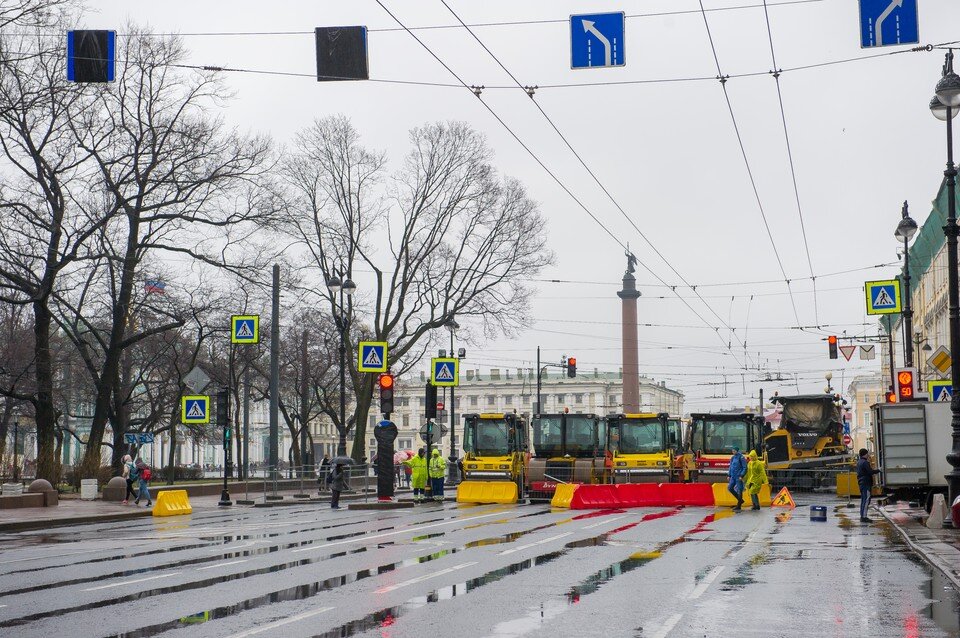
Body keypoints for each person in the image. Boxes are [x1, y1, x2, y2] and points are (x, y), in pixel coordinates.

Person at [856, 448, 881, 522]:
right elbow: (870, 472)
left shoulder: (859, 462)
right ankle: (864, 517)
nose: (868, 455)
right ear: (865, 454)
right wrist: (879, 470)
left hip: (861, 483)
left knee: (863, 500)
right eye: (867, 454)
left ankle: (863, 516)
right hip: (866, 483)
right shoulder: (865, 462)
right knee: (866, 500)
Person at [727, 446, 747, 511]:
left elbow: (745, 467)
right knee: (730, 488)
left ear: (737, 451)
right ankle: (740, 500)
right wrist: (729, 475)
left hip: (738, 476)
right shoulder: (732, 458)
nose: (733, 452)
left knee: (739, 490)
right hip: (733, 476)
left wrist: (742, 475)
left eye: (734, 451)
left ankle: (739, 505)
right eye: (732, 451)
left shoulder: (741, 457)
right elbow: (730, 467)